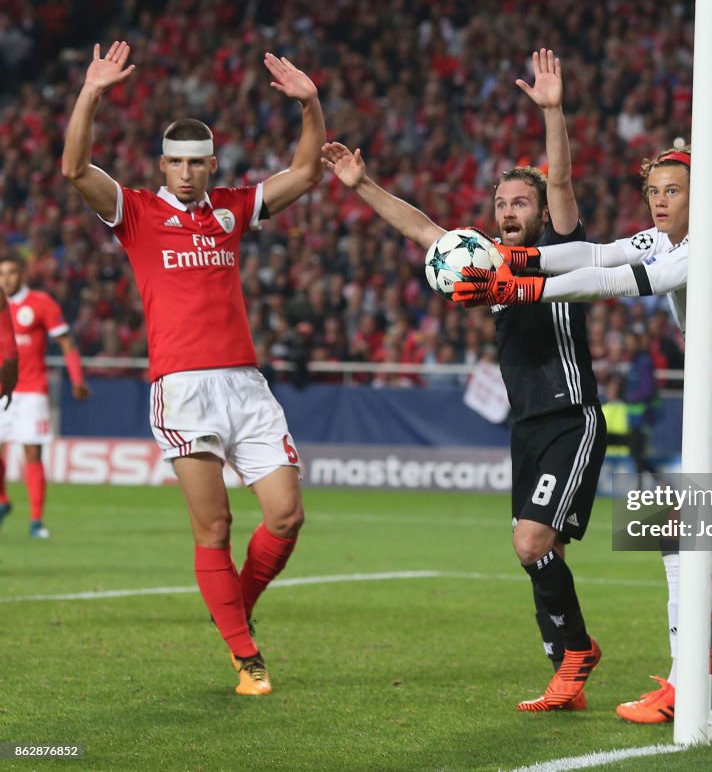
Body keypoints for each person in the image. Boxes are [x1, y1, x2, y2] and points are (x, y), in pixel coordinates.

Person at [454, 147, 712, 721]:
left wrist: (520, 285)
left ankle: (683, 690)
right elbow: (594, 251)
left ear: (705, 195)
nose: (661, 201)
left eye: (674, 190)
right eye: (655, 191)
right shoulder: (662, 239)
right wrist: (515, 257)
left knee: (676, 536)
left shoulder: (711, 247)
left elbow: (617, 280)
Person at [322, 49, 605, 712]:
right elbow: (422, 228)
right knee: (543, 551)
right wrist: (362, 184)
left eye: (520, 202)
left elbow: (561, 181)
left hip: (570, 414)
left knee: (530, 542)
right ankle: (565, 664)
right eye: (502, 203)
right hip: (528, 425)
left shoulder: (560, 251)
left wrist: (553, 113)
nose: (510, 211)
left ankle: (576, 655)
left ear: (540, 212)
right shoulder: (485, 261)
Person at [62, 42, 325, 696]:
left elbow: (306, 172)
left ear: (212, 164)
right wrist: (90, 94)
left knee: (286, 515)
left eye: (195, 163)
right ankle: (245, 655)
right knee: (215, 525)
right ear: (163, 165)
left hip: (245, 381)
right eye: (174, 163)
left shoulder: (232, 209)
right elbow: (73, 169)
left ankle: (234, 603)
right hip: (181, 387)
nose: (184, 173)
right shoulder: (137, 213)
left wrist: (311, 105)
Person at [0, 255, 90, 538]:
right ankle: (3, 501)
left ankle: (36, 521)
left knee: (32, 452)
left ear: (22, 274)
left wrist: (77, 379)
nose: (6, 279)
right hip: (2, 389)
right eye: (1, 274)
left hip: (32, 390)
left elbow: (66, 341)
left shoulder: (41, 303)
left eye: (12, 272)